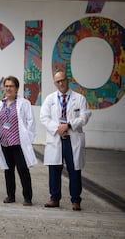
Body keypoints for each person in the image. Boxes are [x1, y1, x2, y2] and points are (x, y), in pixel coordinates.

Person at [40, 71, 91, 211]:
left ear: (67, 80)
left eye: (63, 80)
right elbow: (44, 117)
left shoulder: (79, 98)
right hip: (57, 137)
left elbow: (84, 117)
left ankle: (76, 200)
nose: (61, 83)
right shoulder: (50, 99)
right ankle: (54, 198)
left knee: (74, 169)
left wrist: (68, 125)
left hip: (72, 138)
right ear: (54, 83)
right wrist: (59, 129)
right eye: (58, 81)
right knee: (54, 169)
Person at [0, 76, 37, 206]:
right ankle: (10, 195)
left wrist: (28, 139)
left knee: (23, 170)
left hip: (18, 143)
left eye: (11, 86)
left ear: (16, 88)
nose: (8, 88)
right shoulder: (0, 104)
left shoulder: (24, 104)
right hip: (4, 143)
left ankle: (27, 197)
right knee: (8, 170)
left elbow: (31, 122)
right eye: (6, 86)